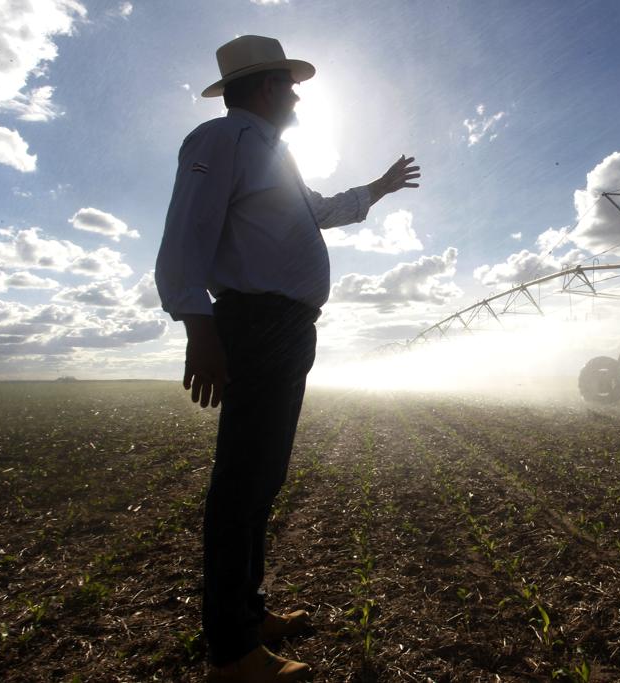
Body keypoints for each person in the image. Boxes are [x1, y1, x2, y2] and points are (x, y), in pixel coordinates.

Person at [155, 35, 419, 682]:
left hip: (288, 329)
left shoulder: (275, 154)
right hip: (255, 324)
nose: (300, 94)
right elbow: (185, 235)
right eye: (291, 83)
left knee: (261, 480)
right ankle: (231, 653)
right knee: (241, 484)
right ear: (268, 87)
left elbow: (318, 211)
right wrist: (199, 324)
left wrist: (378, 189)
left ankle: (248, 615)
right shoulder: (220, 142)